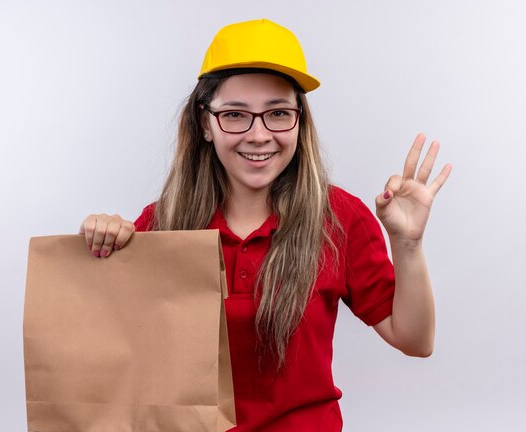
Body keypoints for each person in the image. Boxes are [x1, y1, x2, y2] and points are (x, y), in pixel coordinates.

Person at [78, 18, 452, 432]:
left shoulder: (340, 219)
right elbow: (116, 350)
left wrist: (408, 243)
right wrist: (103, 246)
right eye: (236, 115)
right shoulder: (162, 224)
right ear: (205, 124)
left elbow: (416, 341)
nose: (259, 135)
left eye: (277, 113)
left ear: (299, 122)